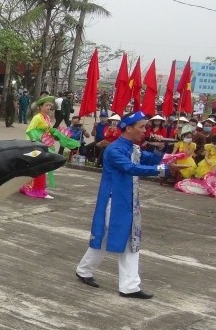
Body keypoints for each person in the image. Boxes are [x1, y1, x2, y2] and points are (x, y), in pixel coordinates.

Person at [76, 111, 180, 299]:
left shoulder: (133, 148)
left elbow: (151, 159)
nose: (145, 130)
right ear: (128, 128)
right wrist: (162, 170)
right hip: (114, 201)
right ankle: (129, 286)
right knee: (128, 239)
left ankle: (84, 270)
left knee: (109, 236)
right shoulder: (115, 150)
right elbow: (131, 168)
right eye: (141, 126)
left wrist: (159, 148)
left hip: (126, 200)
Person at [20, 95, 77, 199]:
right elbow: (29, 130)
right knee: (39, 167)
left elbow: (49, 130)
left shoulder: (46, 117)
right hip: (36, 145)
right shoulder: (37, 117)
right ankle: (36, 190)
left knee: (41, 168)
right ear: (40, 107)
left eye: (50, 106)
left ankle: (37, 189)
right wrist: (38, 139)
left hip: (44, 144)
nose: (49, 107)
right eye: (46, 105)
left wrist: (57, 134)